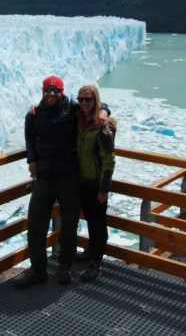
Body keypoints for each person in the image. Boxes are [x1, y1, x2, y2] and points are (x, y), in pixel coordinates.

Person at [15, 75, 107, 289]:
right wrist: (32, 160)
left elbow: (94, 105)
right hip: (44, 178)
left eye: (56, 90)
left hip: (68, 176)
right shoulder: (34, 115)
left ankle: (64, 265)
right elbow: (30, 140)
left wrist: (104, 111)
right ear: (42, 91)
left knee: (69, 224)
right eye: (48, 90)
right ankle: (38, 270)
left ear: (62, 92)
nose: (52, 94)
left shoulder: (72, 110)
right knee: (36, 224)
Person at [74, 85, 116, 282]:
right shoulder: (80, 119)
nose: (84, 103)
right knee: (90, 218)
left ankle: (97, 262)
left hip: (96, 184)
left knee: (99, 222)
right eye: (81, 99)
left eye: (88, 100)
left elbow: (109, 161)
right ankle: (91, 251)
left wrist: (104, 189)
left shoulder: (103, 127)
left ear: (95, 100)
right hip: (83, 181)